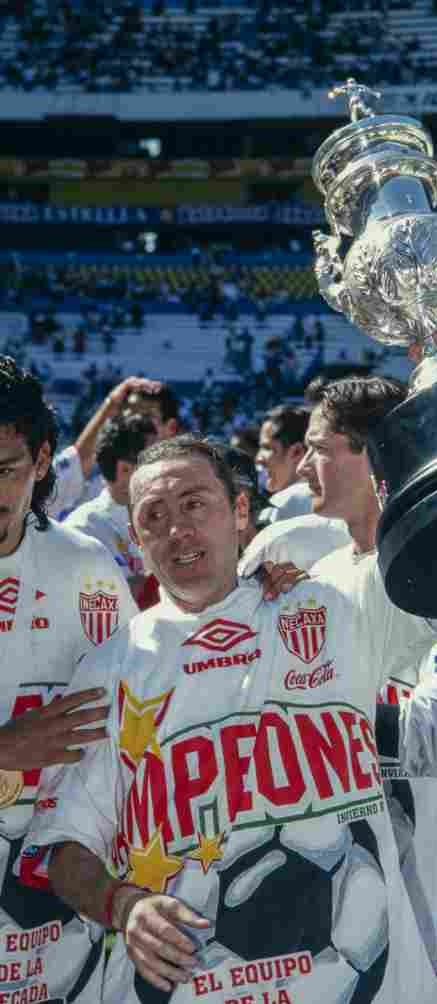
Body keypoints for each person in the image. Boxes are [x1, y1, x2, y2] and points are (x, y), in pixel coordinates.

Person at [24, 421, 437, 1004]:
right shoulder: (110, 669)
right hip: (198, 984)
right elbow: (64, 847)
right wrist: (123, 905)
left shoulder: (332, 606)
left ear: (241, 511)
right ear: (136, 542)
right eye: (153, 516)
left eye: (195, 503)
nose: (177, 529)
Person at [239, 309, 437, 983]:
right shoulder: (320, 569)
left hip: (426, 848)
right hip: (340, 848)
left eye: (319, 448)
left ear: (374, 453)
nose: (302, 465)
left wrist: (320, 712)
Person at [0, 355, 136, 1004]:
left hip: (56, 912)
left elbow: (140, 705)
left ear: (40, 460)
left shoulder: (88, 568)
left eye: (3, 470)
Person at [64, 414, 158, 607]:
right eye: (155, 462)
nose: (165, 470)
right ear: (124, 470)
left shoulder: (162, 519)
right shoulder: (82, 530)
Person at [49, 375, 162, 519]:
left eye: (149, 416)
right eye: (130, 412)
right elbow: (76, 463)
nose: (138, 422)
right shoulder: (88, 516)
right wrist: (110, 404)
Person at [256, 405, 313, 522]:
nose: (258, 458)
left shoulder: (283, 503)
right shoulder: (332, 500)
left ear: (296, 452)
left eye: (267, 448)